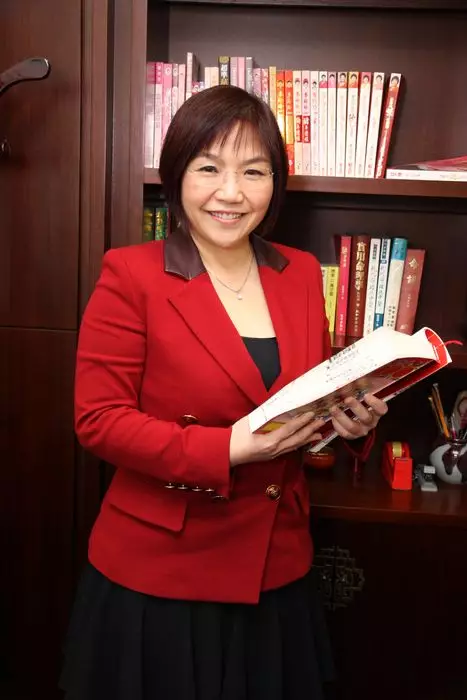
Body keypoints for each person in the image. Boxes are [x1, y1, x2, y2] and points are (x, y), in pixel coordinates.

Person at [60, 85, 388, 700]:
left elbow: (306, 397)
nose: (231, 192)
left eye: (253, 172)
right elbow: (98, 420)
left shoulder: (299, 274)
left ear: (275, 184)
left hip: (276, 563)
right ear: (176, 176)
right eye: (209, 168)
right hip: (163, 568)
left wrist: (346, 422)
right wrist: (228, 448)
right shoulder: (131, 274)